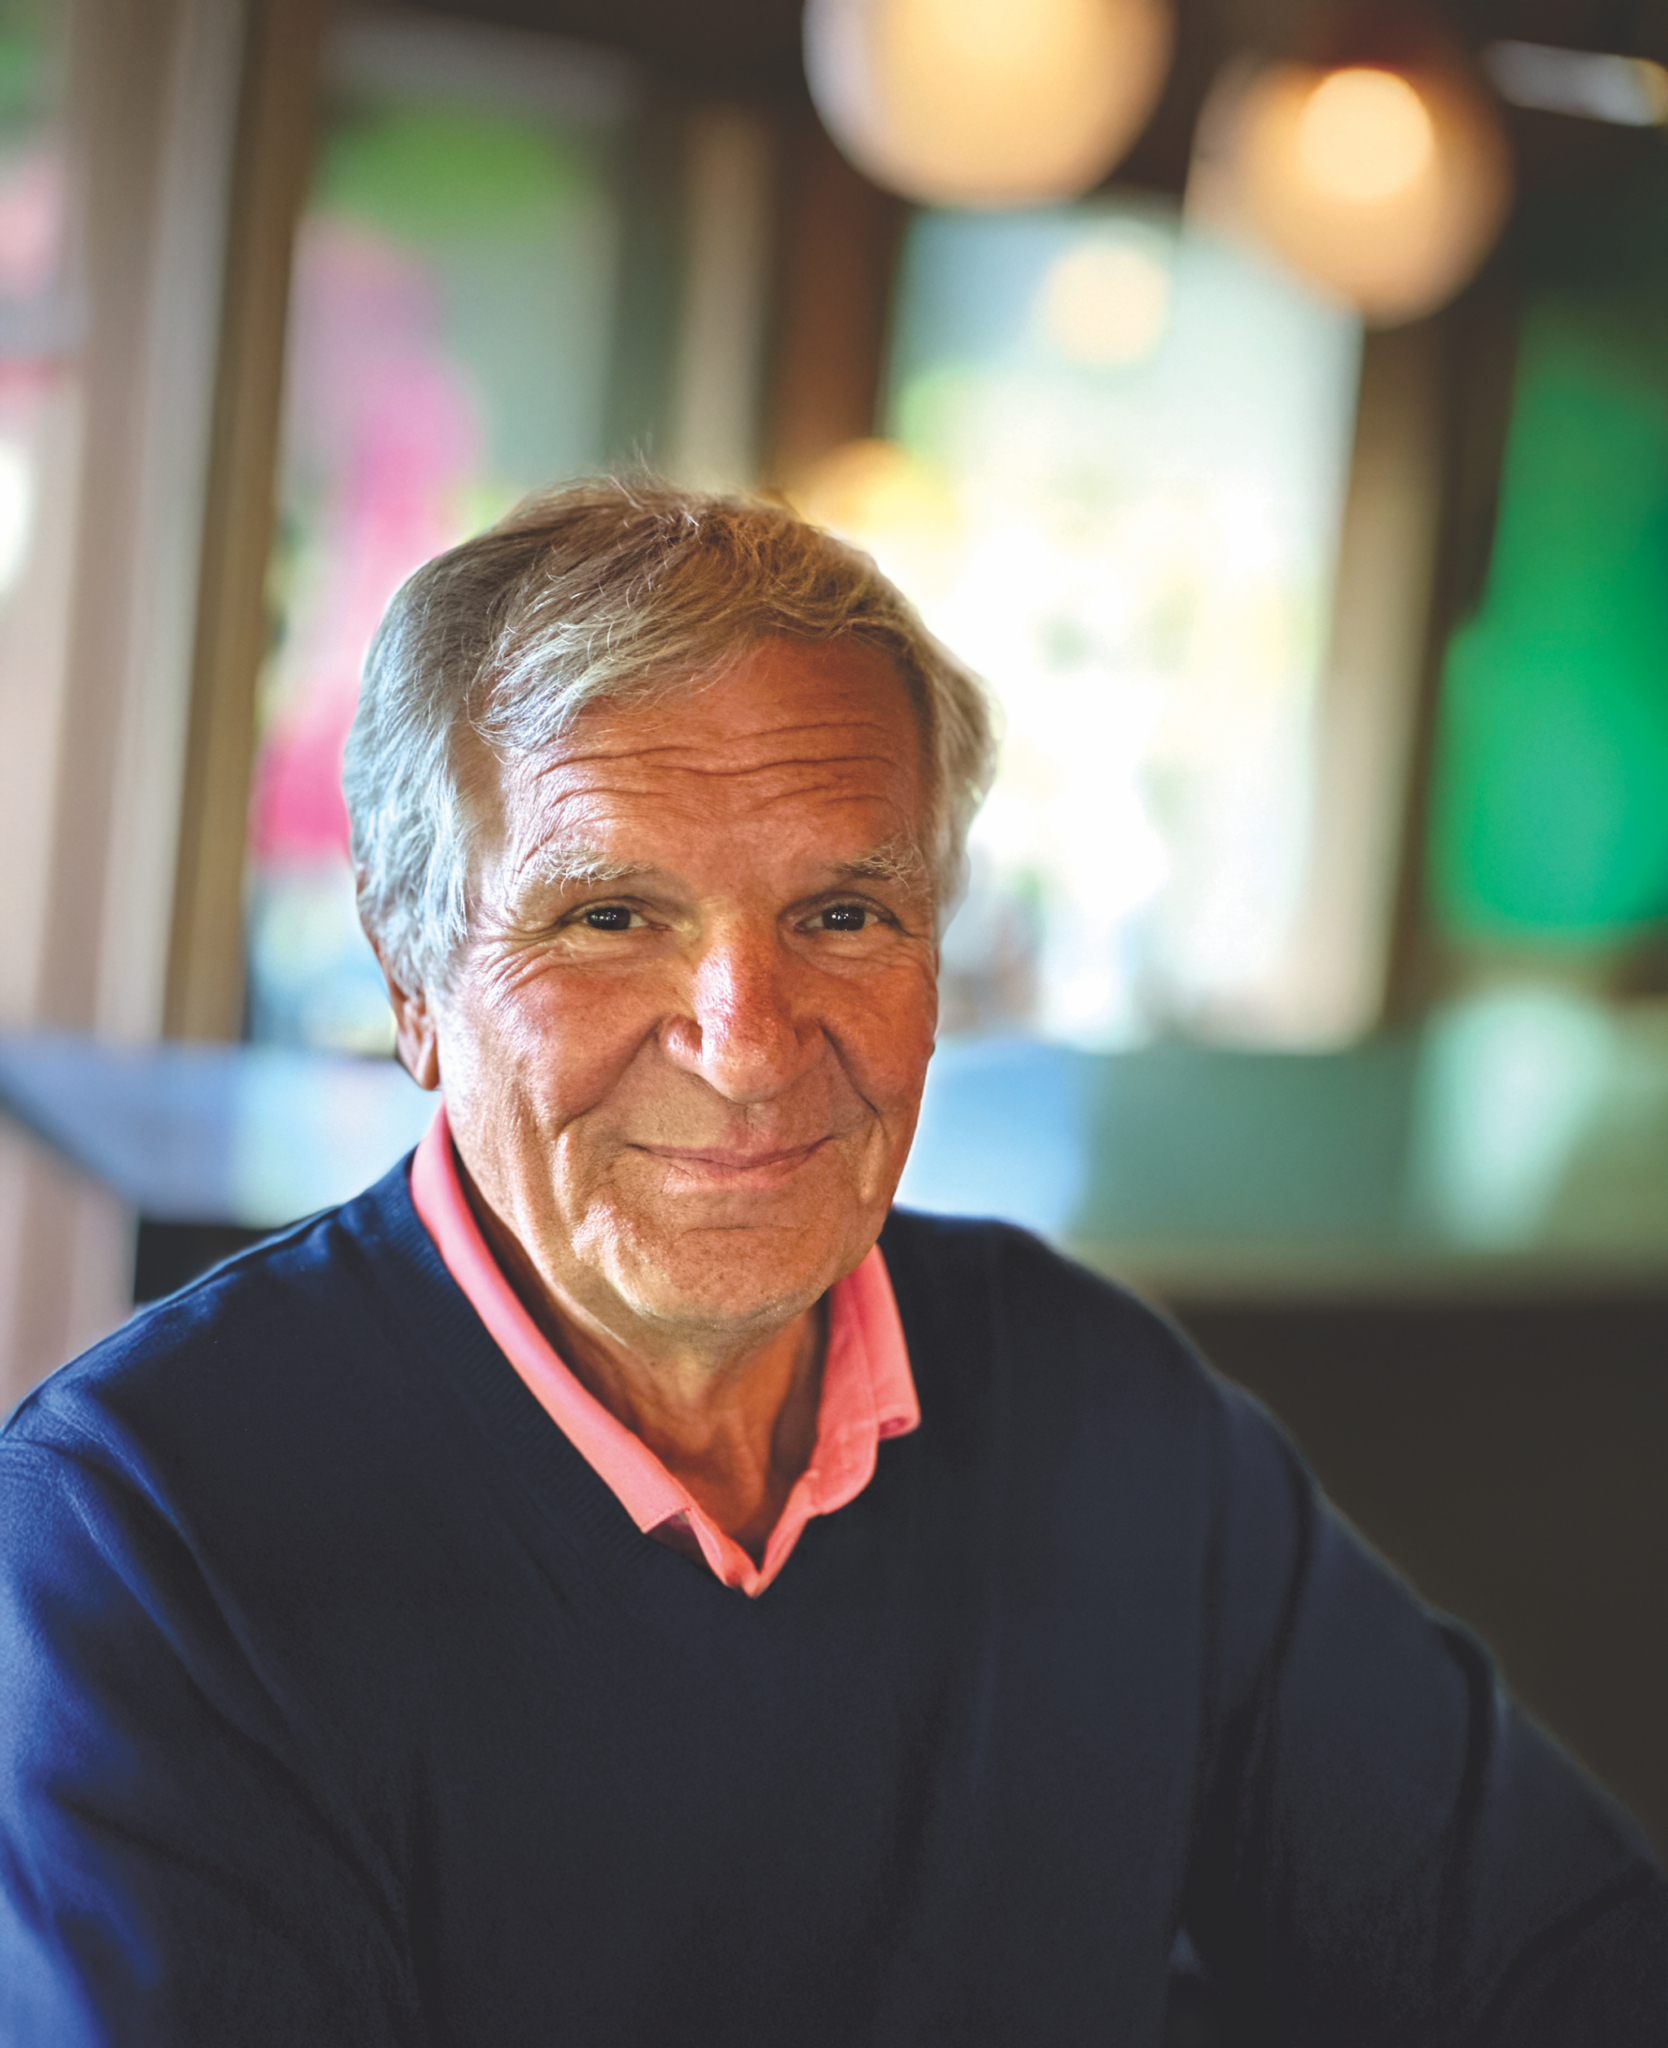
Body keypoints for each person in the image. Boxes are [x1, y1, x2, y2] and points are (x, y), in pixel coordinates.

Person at [0, 481, 1662, 2047]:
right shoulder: (142, 1528)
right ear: (415, 980)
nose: (747, 1044)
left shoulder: (1104, 1407)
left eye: (845, 916)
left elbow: (1555, 1967)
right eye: (610, 917)